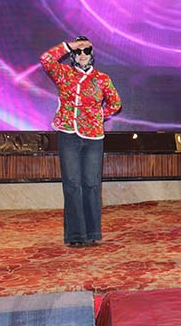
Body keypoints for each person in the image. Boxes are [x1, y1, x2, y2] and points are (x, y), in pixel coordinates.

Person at [39, 37, 122, 247]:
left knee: (92, 184)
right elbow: (46, 59)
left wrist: (97, 116)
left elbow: (115, 103)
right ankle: (75, 235)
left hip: (93, 137)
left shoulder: (102, 78)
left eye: (86, 50)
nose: (82, 54)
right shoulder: (64, 74)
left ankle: (92, 232)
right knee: (72, 184)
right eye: (78, 51)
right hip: (68, 134)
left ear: (92, 54)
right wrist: (69, 46)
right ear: (73, 55)